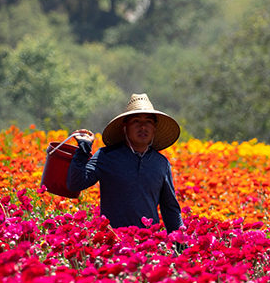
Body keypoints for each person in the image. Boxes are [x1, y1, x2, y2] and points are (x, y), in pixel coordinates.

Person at [67, 94, 184, 233]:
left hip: (149, 245)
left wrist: (182, 246)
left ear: (154, 128)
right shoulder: (106, 156)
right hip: (114, 242)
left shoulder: (161, 163)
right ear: (125, 127)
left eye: (148, 122)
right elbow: (75, 184)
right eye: (135, 121)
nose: (142, 127)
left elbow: (170, 208)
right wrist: (83, 150)